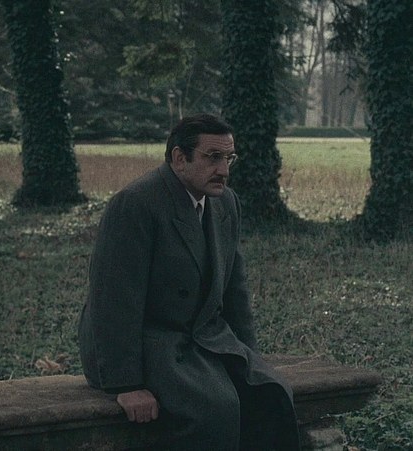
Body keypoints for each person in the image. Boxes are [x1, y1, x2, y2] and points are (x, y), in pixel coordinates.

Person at [77, 114, 300, 450]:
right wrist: (126, 385)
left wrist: (249, 359)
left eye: (229, 158)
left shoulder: (226, 202)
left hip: (201, 336)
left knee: (269, 393)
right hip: (147, 340)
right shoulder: (136, 203)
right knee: (215, 408)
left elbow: (234, 290)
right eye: (213, 157)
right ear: (180, 158)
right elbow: (113, 300)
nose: (224, 170)